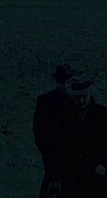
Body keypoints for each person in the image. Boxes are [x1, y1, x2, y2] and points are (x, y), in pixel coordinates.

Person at [59, 79, 107, 198]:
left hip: (95, 172)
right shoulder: (65, 114)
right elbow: (60, 143)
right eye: (77, 97)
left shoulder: (102, 114)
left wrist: (104, 164)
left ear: (90, 94)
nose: (81, 101)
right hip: (71, 173)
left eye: (84, 97)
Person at [33, 64, 74, 198]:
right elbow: (39, 132)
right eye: (63, 83)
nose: (66, 86)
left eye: (68, 83)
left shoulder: (76, 100)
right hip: (52, 157)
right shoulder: (45, 102)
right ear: (57, 81)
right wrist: (49, 154)